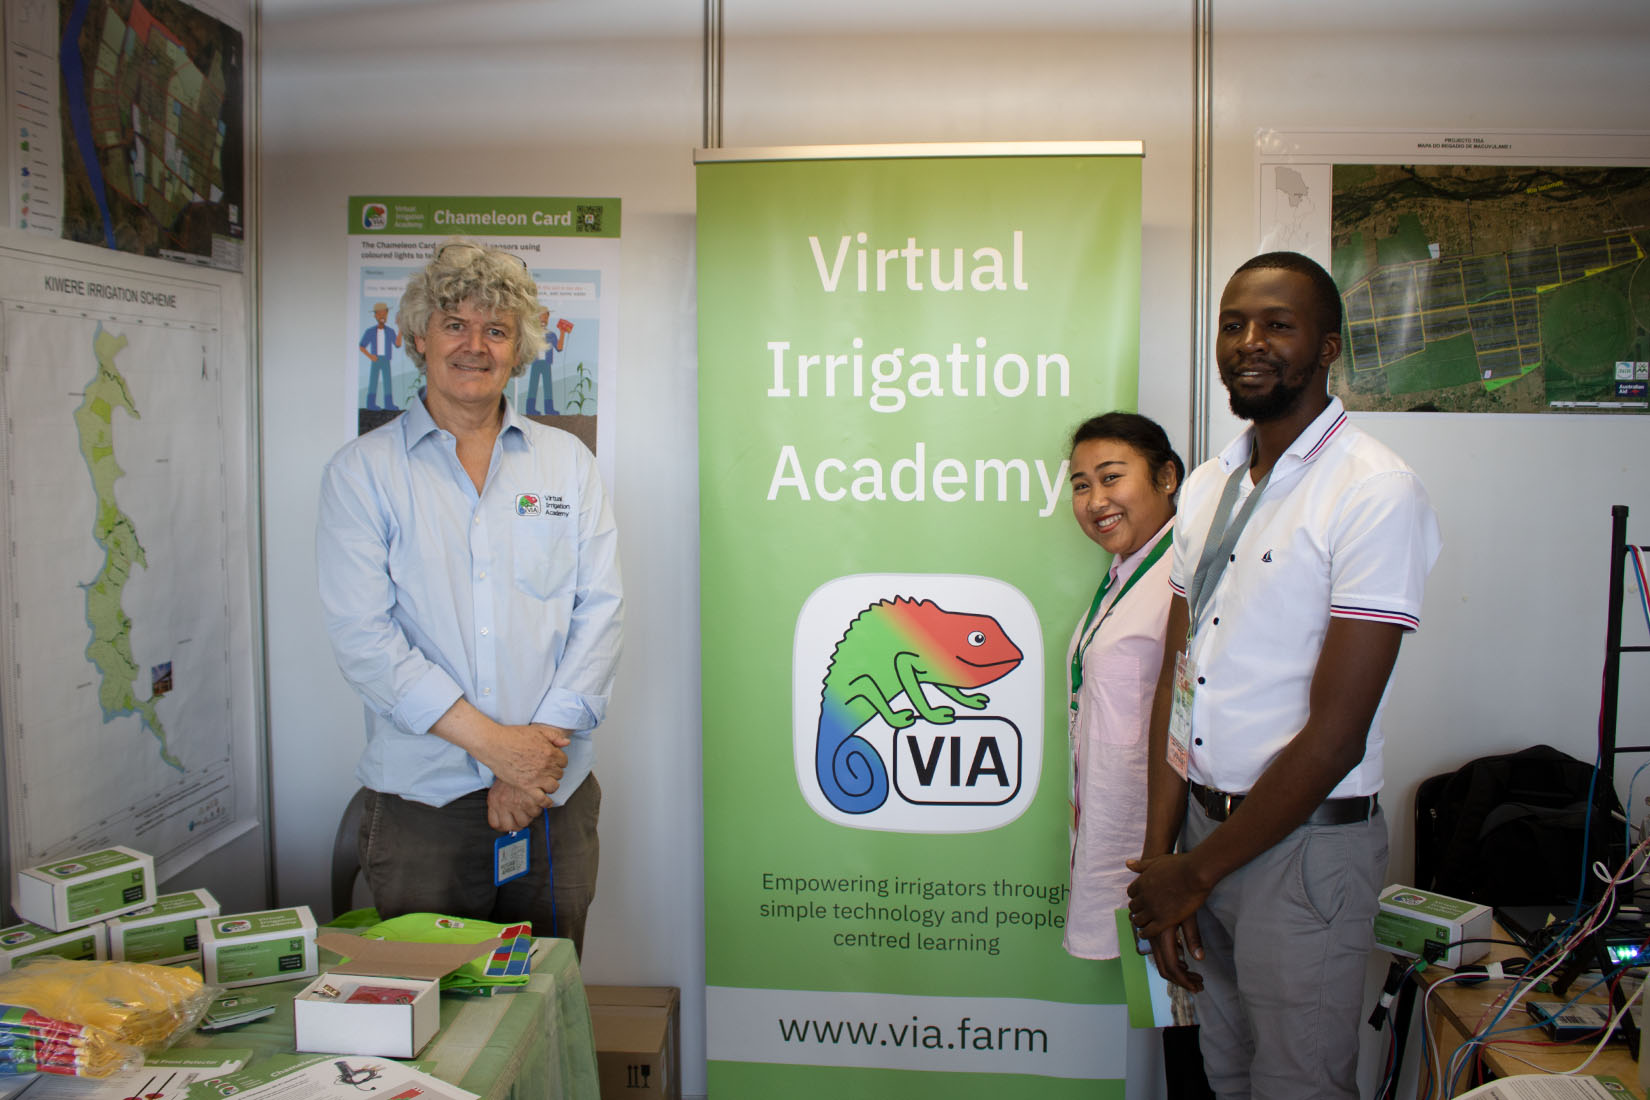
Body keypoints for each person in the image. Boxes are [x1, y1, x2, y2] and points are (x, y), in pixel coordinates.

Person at [1126, 251, 1441, 1099]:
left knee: (1299, 1084)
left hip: (1303, 856)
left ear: (1328, 347)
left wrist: (1189, 876)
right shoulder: (1209, 484)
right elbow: (1179, 679)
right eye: (1234, 324)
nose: (1249, 342)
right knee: (1226, 1075)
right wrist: (1165, 860)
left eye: (1278, 324)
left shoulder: (1374, 491)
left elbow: (1336, 736)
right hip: (1200, 834)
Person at [317, 239, 623, 956]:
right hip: (425, 805)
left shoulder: (566, 464)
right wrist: (499, 752)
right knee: (432, 1012)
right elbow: (366, 642)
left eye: (496, 329)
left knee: (547, 1001)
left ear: (520, 349)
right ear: (418, 337)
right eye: (455, 324)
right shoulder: (361, 475)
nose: (475, 346)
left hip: (555, 797)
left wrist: (534, 760)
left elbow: (600, 612)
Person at [1063, 413, 1216, 1099]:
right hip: (1135, 847)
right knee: (1180, 1030)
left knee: (1204, 1043)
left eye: (1112, 477)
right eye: (1079, 484)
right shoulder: (1129, 574)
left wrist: (1169, 862)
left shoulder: (1191, 576)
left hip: (1174, 853)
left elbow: (1190, 717)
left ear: (1167, 477)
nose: (1095, 500)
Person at [522, 308, 566, 416]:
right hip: (535, 362)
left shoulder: (551, 335)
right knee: (533, 385)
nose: (543, 319)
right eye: (540, 316)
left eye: (545, 317)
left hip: (546, 363)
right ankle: (530, 409)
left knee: (548, 386)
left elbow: (559, 348)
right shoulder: (533, 335)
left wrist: (562, 333)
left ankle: (549, 410)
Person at [358, 301, 401, 411]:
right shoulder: (370, 331)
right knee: (373, 381)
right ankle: (371, 404)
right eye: (379, 314)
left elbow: (397, 344)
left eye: (384, 313)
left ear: (387, 314)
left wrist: (400, 329)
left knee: (387, 381)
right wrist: (371, 356)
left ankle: (389, 405)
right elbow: (361, 346)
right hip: (375, 359)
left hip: (386, 359)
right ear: (375, 315)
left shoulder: (390, 331)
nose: (382, 316)